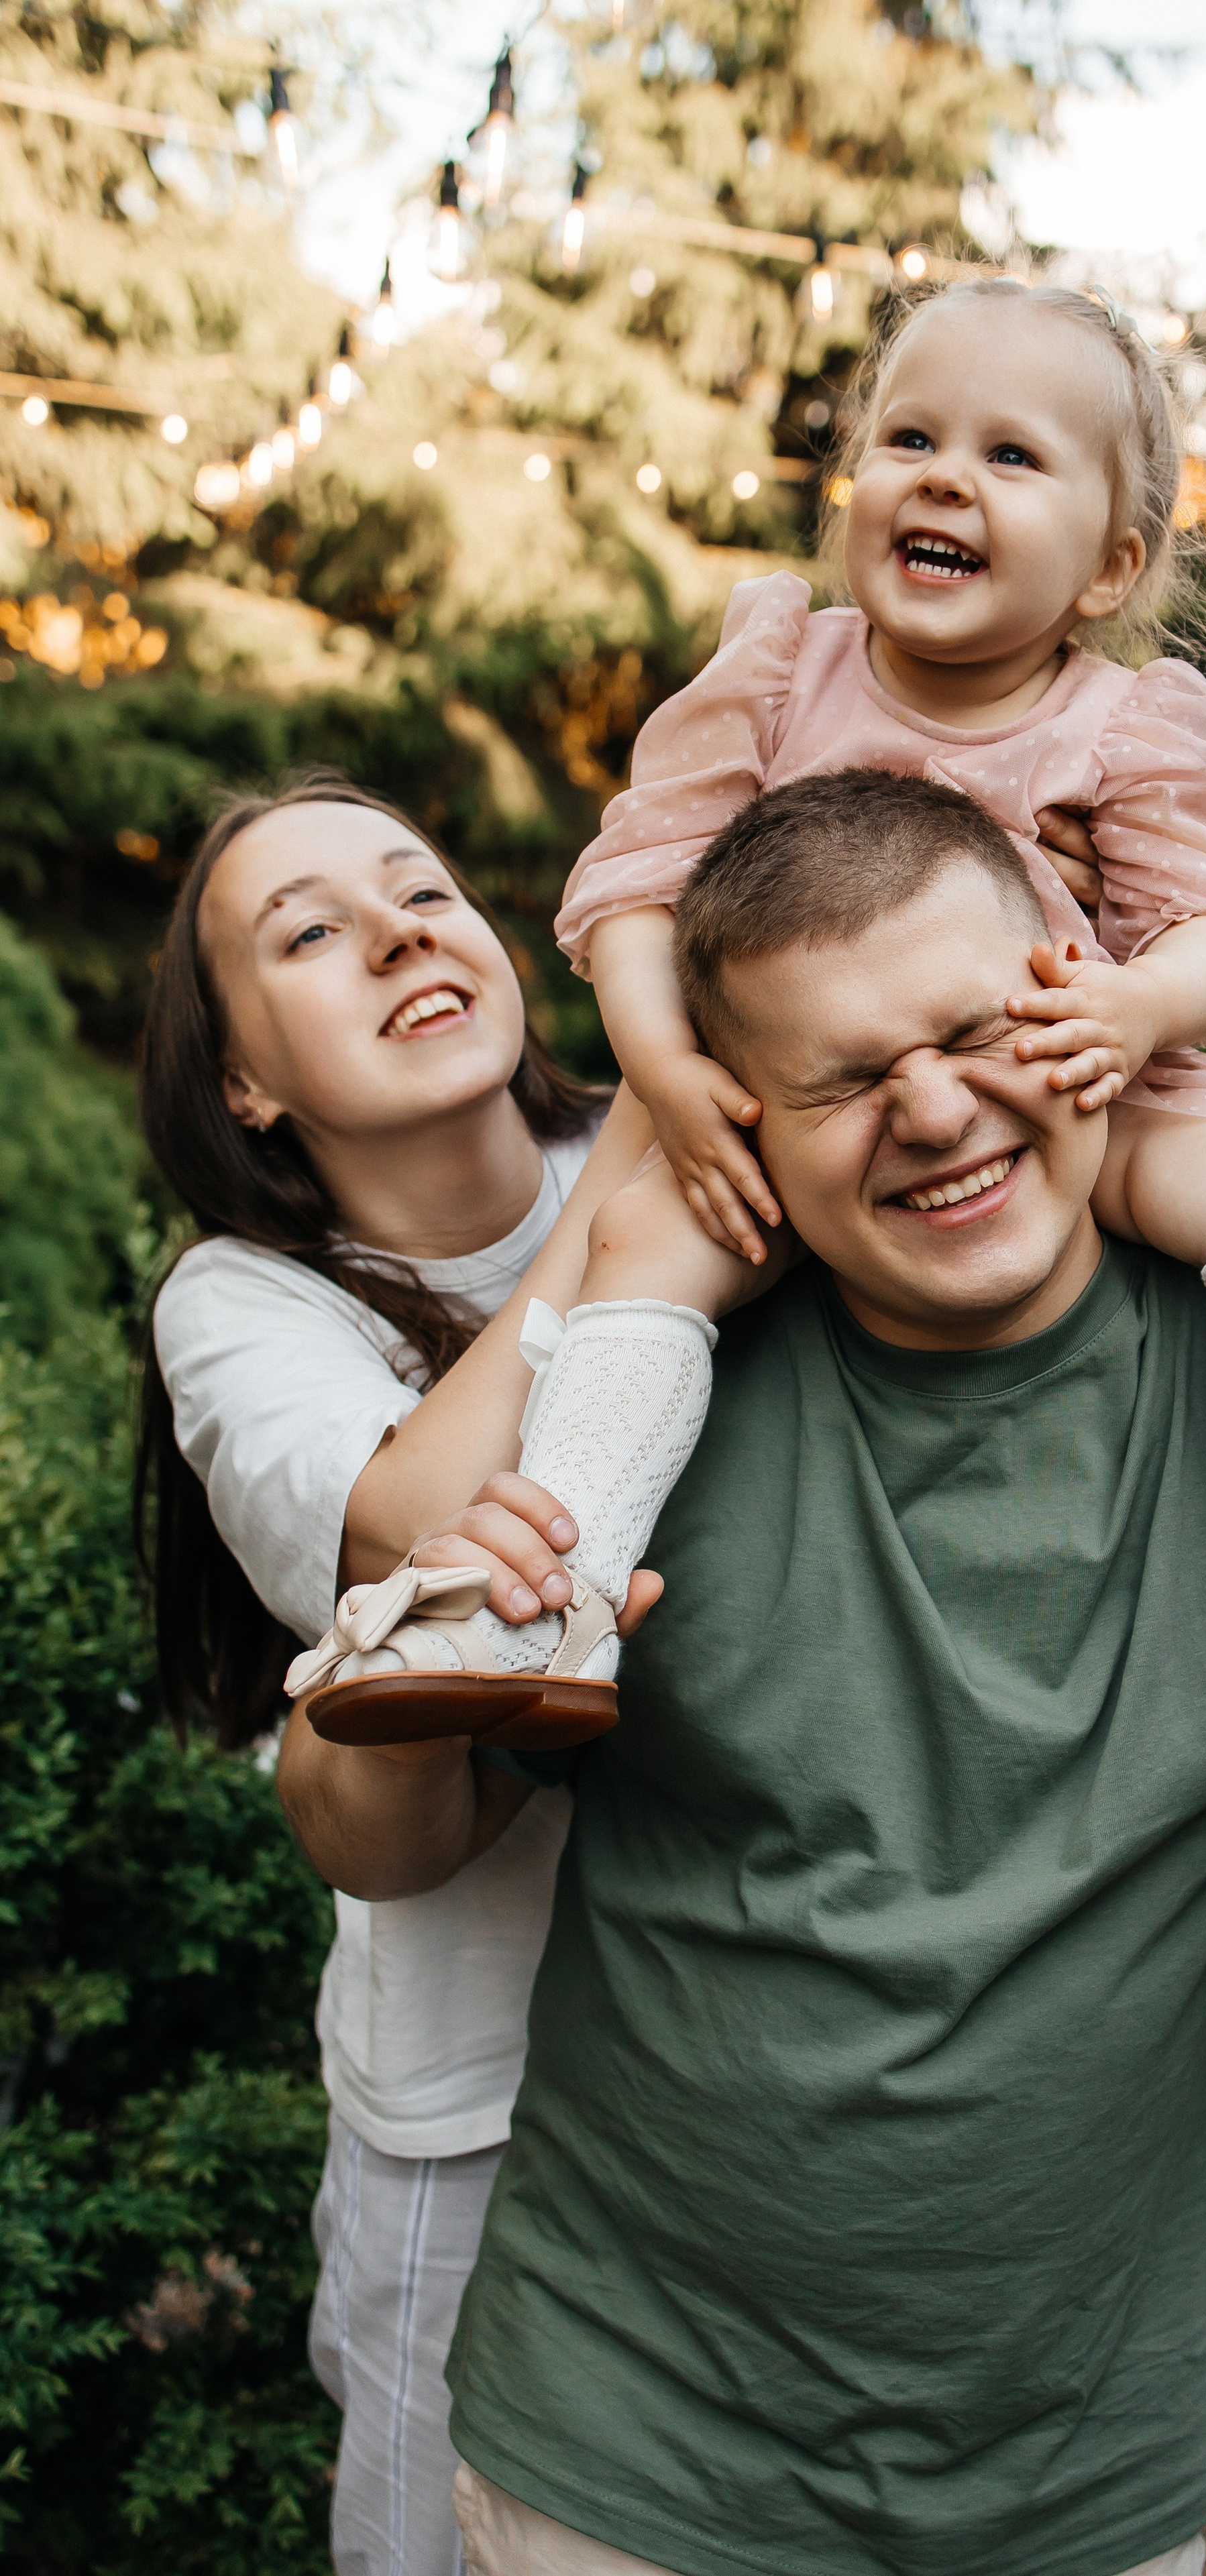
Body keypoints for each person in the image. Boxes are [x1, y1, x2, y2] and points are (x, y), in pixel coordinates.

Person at [278, 768, 1206, 2576]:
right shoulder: (640, 1398)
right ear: (744, 1117)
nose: (934, 1111)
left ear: (1072, 986)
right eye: (844, 1081)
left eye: (975, 1028)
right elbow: (375, 1836)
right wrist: (415, 1678)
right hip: (639, 2453)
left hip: (1100, 2449)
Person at [523, 275, 1206, 1687]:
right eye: (908, 438)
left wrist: (1135, 1008)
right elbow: (635, 878)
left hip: (1072, 1078)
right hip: (794, 1115)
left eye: (1010, 456)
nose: (945, 479)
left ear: (1111, 568)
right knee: (641, 1248)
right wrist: (662, 1065)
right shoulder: (771, 671)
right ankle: (552, 1590)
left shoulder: (1128, 727)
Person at [137, 773, 661, 2575]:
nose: (396, 929)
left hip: (768, 2055)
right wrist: (650, 1198)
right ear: (245, 1085)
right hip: (476, 2106)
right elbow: (404, 1527)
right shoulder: (247, 1304)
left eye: (420, 886)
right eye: (306, 929)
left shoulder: (667, 1150)